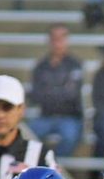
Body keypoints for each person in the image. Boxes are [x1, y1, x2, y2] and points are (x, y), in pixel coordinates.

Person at [29, 25, 85, 158]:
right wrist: (60, 91)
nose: (58, 42)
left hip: (69, 116)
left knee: (70, 136)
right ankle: (41, 163)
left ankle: (53, 164)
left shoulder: (75, 64)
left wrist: (49, 91)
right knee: (27, 133)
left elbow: (72, 95)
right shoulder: (40, 66)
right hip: (46, 116)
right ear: (49, 40)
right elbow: (36, 95)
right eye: (54, 38)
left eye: (62, 38)